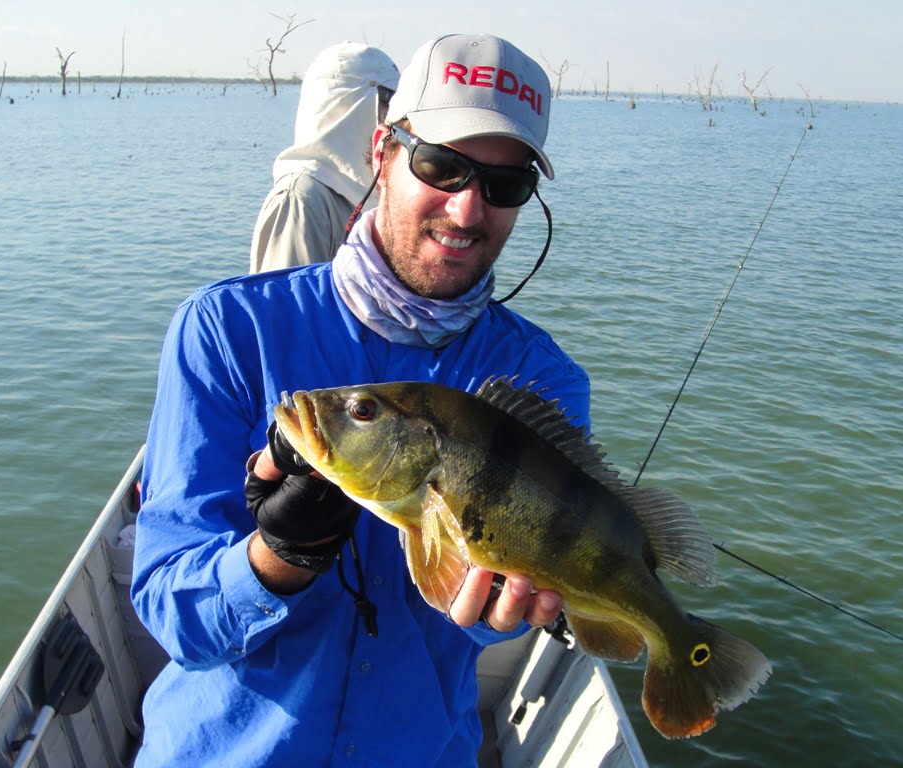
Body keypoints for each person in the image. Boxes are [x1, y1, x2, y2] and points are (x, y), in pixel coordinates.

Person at [133, 33, 591, 767]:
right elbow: (169, 609)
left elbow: (501, 608)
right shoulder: (227, 331)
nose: (466, 209)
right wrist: (275, 558)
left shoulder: (541, 378)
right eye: (441, 165)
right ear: (382, 152)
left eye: (505, 186)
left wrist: (498, 613)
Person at [249, 42, 399, 273]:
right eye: (389, 101)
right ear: (350, 106)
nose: (396, 117)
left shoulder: (366, 188)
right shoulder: (301, 198)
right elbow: (290, 293)